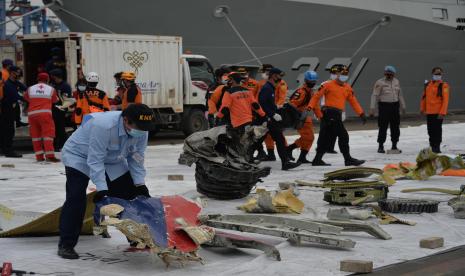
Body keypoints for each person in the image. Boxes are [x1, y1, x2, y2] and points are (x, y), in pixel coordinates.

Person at [58, 103, 156, 259]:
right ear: (125, 120)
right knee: (76, 198)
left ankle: (136, 238)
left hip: (112, 159)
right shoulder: (103, 126)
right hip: (79, 156)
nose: (142, 130)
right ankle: (66, 244)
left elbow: (136, 158)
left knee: (130, 195)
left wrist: (139, 184)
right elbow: (95, 159)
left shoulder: (142, 130)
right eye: (139, 126)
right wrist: (102, 189)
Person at [308, 65, 367, 166]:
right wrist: (310, 107)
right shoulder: (327, 85)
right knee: (343, 136)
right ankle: (348, 159)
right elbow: (316, 97)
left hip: (337, 114)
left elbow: (353, 101)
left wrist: (361, 113)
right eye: (342, 74)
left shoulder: (347, 88)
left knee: (325, 137)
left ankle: (317, 159)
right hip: (329, 113)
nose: (344, 76)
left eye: (346, 74)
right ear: (337, 75)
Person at [258, 68, 301, 170]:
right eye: (279, 76)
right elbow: (262, 104)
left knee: (278, 140)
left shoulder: (271, 87)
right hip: (267, 119)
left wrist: (276, 108)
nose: (280, 78)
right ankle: (245, 159)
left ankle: (285, 162)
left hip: (270, 119)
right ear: (273, 76)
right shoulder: (267, 88)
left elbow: (268, 103)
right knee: (258, 141)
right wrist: (272, 114)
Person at [217, 72, 266, 160]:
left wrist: (218, 117)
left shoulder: (229, 92)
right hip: (248, 120)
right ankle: (249, 159)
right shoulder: (248, 91)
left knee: (237, 143)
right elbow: (255, 105)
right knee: (247, 141)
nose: (228, 82)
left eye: (229, 80)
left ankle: (241, 160)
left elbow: (225, 108)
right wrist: (262, 114)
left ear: (232, 80)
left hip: (237, 122)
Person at [287, 71, 322, 163]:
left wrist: (320, 117)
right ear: (306, 80)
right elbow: (291, 105)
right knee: (309, 138)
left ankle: (301, 157)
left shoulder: (310, 92)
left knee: (309, 138)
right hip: (301, 119)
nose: (312, 83)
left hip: (306, 118)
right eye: (310, 82)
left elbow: (315, 105)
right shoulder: (301, 92)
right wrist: (296, 118)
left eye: (314, 82)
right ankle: (290, 149)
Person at [23, 73, 60, 162]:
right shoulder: (51, 89)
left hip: (32, 114)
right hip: (45, 114)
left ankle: (39, 157)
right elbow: (55, 100)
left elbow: (26, 98)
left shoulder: (30, 89)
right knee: (48, 135)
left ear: (38, 79)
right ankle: (50, 156)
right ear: (47, 80)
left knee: (36, 136)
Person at [370, 65, 406, 153]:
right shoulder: (379, 82)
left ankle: (394, 145)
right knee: (383, 127)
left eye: (391, 74)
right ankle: (380, 146)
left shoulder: (396, 81)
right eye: (387, 73)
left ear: (394, 74)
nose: (389, 75)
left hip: (395, 106)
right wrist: (372, 108)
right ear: (385, 73)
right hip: (384, 107)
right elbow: (374, 95)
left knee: (395, 127)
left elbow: (400, 95)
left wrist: (403, 106)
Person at [420, 67, 450, 153]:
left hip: (438, 113)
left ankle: (437, 147)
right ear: (432, 74)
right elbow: (424, 97)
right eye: (436, 73)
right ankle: (432, 145)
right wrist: (422, 108)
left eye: (439, 74)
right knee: (430, 130)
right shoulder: (428, 85)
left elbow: (445, 100)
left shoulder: (444, 85)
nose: (438, 75)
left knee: (437, 130)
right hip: (429, 112)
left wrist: (442, 112)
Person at [0, 66, 26, 157]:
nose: (19, 75)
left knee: (8, 129)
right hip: (6, 109)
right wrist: (25, 98)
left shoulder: (16, 83)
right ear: (12, 73)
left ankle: (5, 148)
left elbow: (25, 89)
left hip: (12, 109)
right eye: (18, 72)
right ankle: (8, 150)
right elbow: (16, 96)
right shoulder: (8, 84)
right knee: (8, 130)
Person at [50, 69, 72, 150]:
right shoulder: (53, 85)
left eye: (53, 76)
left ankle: (64, 145)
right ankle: (55, 145)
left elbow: (66, 99)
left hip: (61, 110)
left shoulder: (65, 86)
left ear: (57, 76)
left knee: (60, 129)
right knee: (54, 128)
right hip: (53, 109)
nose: (52, 78)